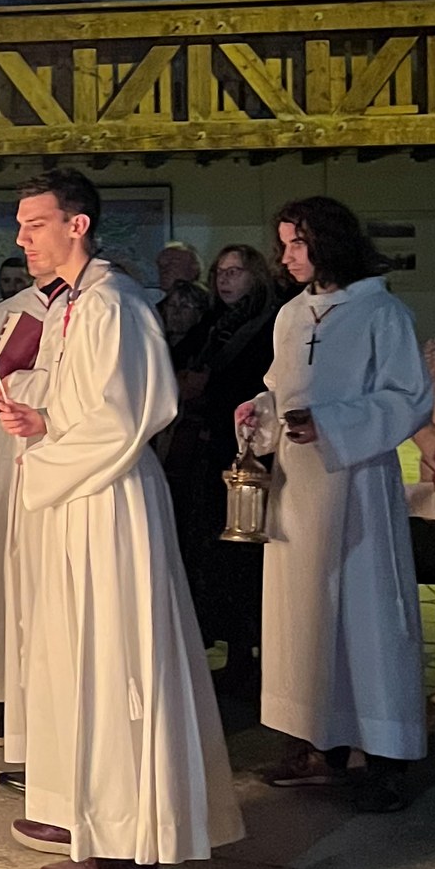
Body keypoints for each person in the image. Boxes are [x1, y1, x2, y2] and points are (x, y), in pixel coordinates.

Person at [0, 169, 241, 869]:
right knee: (77, 657)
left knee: (118, 660)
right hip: (79, 493)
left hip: (108, 502)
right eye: (19, 224)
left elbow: (132, 416)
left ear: (77, 226)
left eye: (34, 223)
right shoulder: (73, 308)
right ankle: (83, 808)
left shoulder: (115, 304)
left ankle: (131, 839)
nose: (22, 237)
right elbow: (86, 408)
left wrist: (52, 452)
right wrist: (40, 421)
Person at [235, 196, 433, 813]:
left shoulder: (382, 311)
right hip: (297, 486)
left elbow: (409, 397)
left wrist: (333, 423)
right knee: (304, 618)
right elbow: (281, 389)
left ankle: (385, 756)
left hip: (357, 485)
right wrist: (259, 415)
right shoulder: (292, 315)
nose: (287, 256)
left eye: (299, 243)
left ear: (330, 243)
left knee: (367, 618)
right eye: (285, 244)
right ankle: (317, 743)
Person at [168, 245, 280, 691]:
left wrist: (207, 387)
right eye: (221, 272)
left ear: (255, 276)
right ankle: (231, 647)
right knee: (213, 547)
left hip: (248, 454)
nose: (226, 280)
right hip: (206, 452)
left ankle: (249, 652)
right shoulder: (212, 324)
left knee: (245, 551)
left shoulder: (267, 325)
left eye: (236, 272)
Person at [0, 270, 64, 749]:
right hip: (13, 450)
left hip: (63, 450)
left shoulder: (92, 306)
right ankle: (9, 697)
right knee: (9, 569)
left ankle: (54, 701)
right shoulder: (6, 313)